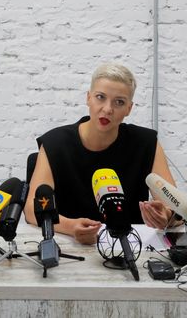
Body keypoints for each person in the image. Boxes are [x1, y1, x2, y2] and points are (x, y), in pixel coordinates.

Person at [24, 63, 178, 245]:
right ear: (88, 98)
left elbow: (175, 206)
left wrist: (167, 216)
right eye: (100, 97)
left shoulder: (146, 143)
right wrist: (71, 227)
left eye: (119, 102)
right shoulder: (55, 143)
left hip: (129, 247)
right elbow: (31, 210)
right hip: (69, 247)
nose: (107, 109)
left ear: (129, 108)